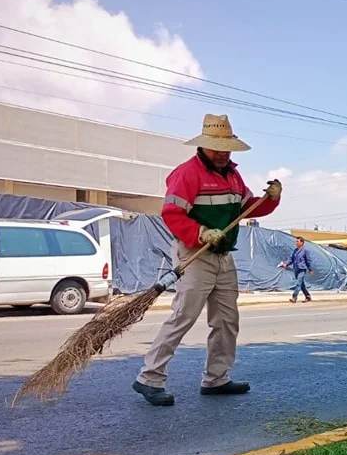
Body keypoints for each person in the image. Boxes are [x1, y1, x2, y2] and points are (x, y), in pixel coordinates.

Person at [132, 114, 281, 406]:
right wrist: (200, 232)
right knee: (182, 317)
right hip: (195, 254)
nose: (222, 153)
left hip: (224, 254)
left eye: (226, 148)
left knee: (226, 320)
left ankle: (216, 379)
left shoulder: (233, 176)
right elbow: (172, 215)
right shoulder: (187, 174)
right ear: (204, 146)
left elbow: (246, 210)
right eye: (216, 148)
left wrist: (272, 199)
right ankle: (149, 378)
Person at [279, 237, 313, 303]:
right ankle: (308, 296)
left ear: (302, 242)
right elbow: (291, 259)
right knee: (301, 284)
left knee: (298, 283)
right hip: (296, 269)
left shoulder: (305, 251)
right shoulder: (295, 250)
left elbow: (308, 261)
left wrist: (310, 269)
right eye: (296, 241)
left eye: (297, 241)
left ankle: (294, 297)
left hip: (302, 269)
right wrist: (286, 264)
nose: (296, 243)